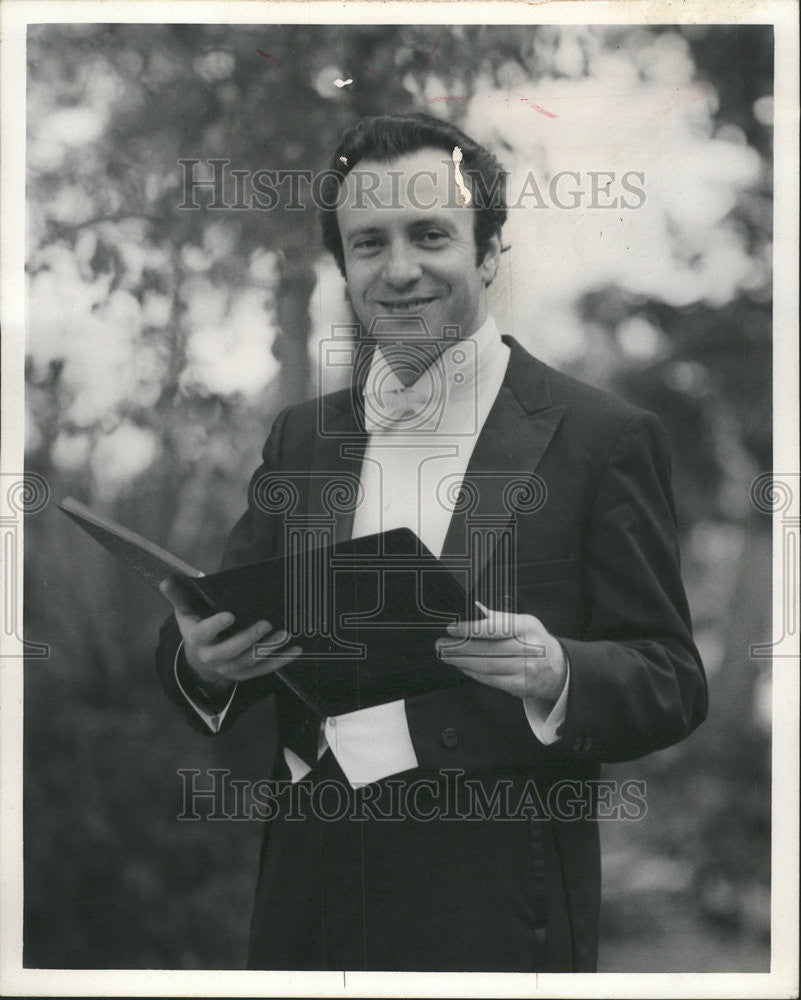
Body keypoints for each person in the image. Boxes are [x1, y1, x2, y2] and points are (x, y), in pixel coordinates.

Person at [156, 112, 707, 972]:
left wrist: (557, 669)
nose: (400, 269)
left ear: (487, 253)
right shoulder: (302, 437)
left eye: (431, 235)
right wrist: (204, 663)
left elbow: (672, 678)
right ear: (344, 268)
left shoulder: (603, 437)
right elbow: (217, 614)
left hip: (493, 890)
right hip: (307, 881)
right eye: (368, 243)